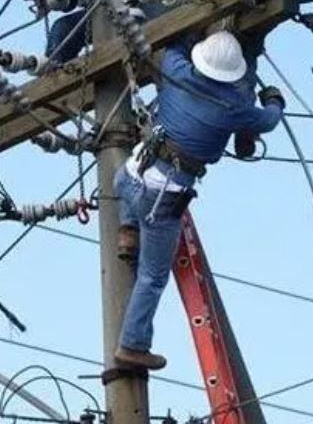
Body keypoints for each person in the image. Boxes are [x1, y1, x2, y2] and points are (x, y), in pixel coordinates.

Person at [112, 31, 286, 370]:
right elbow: (269, 120)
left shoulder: (176, 71)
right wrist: (274, 99)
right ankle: (132, 345)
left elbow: (175, 43)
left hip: (130, 176)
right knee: (152, 276)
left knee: (127, 184)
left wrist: (194, 30)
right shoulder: (235, 108)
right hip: (160, 198)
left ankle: (127, 231)